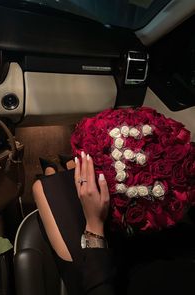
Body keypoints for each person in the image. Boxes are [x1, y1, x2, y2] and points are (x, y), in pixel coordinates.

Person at [33, 108, 195, 295]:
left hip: (109, 273)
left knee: (44, 187)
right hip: (168, 240)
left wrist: (94, 226)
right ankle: (65, 167)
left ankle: (54, 171)